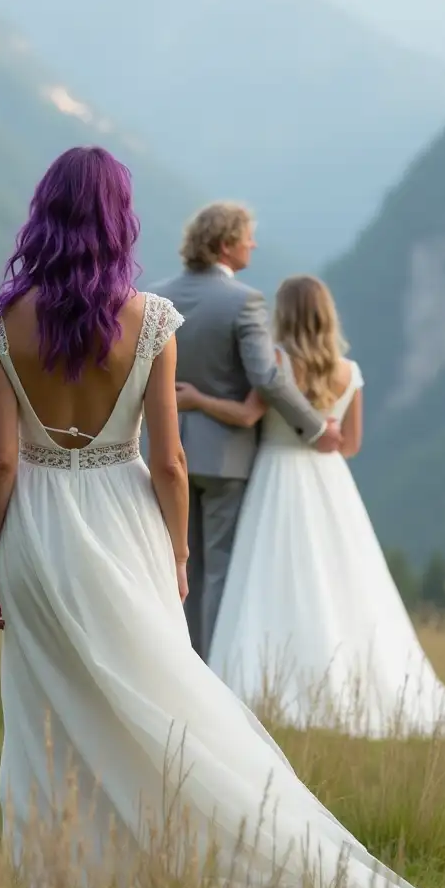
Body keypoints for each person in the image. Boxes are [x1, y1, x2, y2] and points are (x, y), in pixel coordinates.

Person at [0, 147, 415, 888]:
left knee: (47, 703)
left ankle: (57, 866)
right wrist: (176, 553)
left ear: (43, 212)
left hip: (36, 530)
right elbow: (171, 461)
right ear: (120, 220)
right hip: (125, 517)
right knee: (162, 690)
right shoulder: (150, 322)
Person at [176, 275, 445, 740]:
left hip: (275, 477)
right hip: (329, 484)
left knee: (272, 579)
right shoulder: (351, 371)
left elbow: (247, 416)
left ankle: (258, 685)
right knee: (338, 579)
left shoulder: (279, 361)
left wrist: (198, 399)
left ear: (283, 314)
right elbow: (349, 445)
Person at [150, 204, 341, 661]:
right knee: (219, 572)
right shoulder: (244, 302)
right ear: (225, 244)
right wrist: (315, 427)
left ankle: (177, 663)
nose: (253, 244)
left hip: (162, 451)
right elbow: (268, 378)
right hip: (225, 458)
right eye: (247, 237)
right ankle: (213, 671)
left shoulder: (153, 297)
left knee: (177, 566)